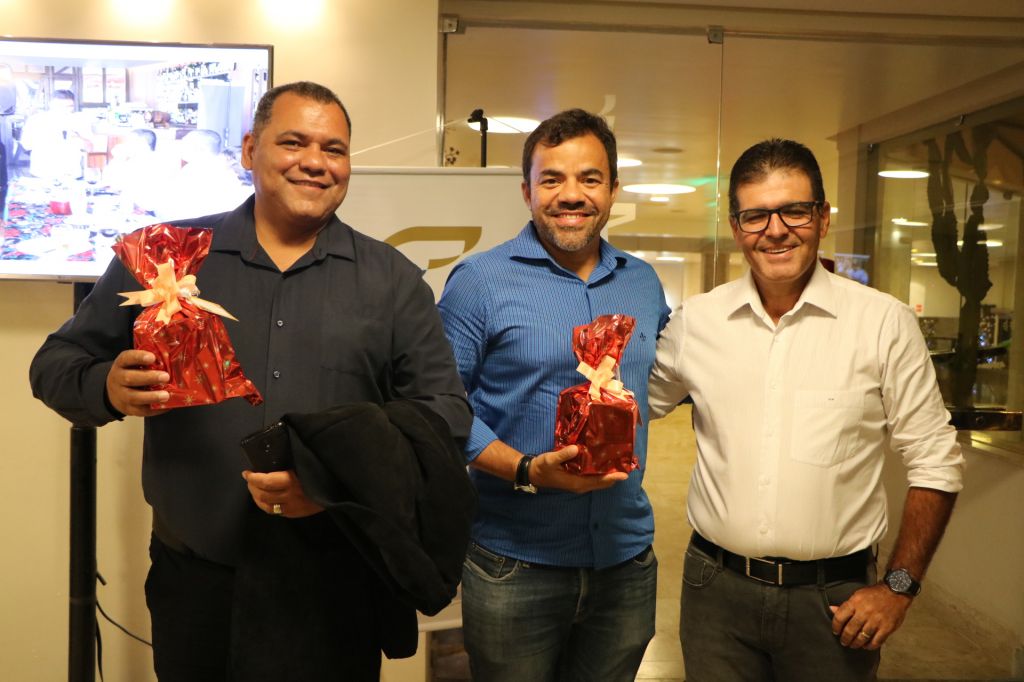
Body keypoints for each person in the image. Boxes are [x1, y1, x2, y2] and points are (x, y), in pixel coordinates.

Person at [30, 81, 472, 681]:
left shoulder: (392, 281)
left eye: (334, 149)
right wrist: (105, 385)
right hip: (197, 584)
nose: (315, 161)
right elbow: (55, 363)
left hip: (334, 586)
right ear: (248, 150)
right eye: (293, 142)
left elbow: (444, 415)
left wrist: (331, 481)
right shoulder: (168, 257)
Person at [647, 138, 964, 681]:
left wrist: (899, 588)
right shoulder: (696, 323)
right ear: (736, 226)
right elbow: (628, 405)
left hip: (835, 604)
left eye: (793, 210)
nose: (775, 230)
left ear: (822, 217)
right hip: (715, 595)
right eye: (756, 215)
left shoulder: (882, 324)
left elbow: (936, 461)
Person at [438, 108, 671, 681]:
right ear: (526, 191)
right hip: (514, 565)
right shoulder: (479, 282)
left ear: (613, 190)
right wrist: (524, 469)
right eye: (552, 179)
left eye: (590, 178)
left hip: (625, 563)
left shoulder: (643, 283)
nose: (571, 195)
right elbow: (439, 405)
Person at [18, 89, 92, 180]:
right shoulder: (35, 120)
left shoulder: (80, 121)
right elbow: (26, 145)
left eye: (69, 106)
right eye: (59, 106)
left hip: (72, 174)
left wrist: (79, 137)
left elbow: (89, 147)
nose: (64, 110)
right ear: (51, 105)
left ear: (73, 106)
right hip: (42, 174)